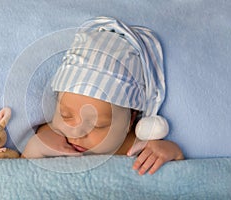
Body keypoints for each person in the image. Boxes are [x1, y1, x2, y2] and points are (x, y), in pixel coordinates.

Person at [22, 16, 184, 175]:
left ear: (130, 120)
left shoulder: (137, 145)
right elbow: (22, 176)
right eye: (66, 116)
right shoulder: (49, 136)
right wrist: (33, 149)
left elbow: (178, 178)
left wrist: (172, 152)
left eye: (97, 125)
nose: (77, 132)